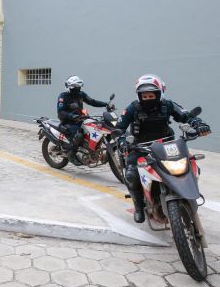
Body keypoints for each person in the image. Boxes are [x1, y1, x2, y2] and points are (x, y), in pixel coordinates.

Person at [115, 74, 211, 223]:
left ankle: (189, 193)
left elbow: (186, 115)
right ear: (139, 96)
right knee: (131, 175)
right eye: (144, 96)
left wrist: (199, 124)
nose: (148, 98)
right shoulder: (132, 108)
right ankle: (139, 207)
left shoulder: (168, 105)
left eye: (151, 95)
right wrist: (122, 141)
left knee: (191, 166)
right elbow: (119, 128)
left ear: (160, 93)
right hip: (140, 147)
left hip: (167, 145)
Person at [57, 76, 113, 166]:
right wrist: (72, 116)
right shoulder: (63, 96)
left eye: (79, 87)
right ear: (70, 87)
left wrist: (106, 104)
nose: (78, 89)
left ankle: (91, 150)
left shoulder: (81, 94)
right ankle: (72, 154)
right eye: (76, 88)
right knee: (79, 135)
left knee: (95, 128)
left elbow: (92, 101)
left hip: (80, 119)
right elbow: (61, 112)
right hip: (68, 122)